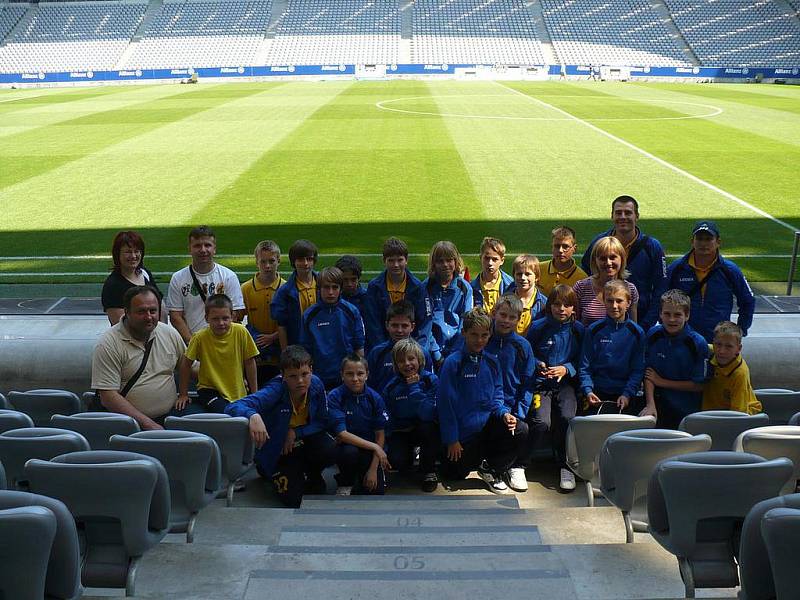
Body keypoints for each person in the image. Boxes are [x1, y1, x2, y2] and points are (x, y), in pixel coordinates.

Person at [224, 345, 337, 508]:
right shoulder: (275, 390)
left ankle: (311, 473)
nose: (300, 381)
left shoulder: (316, 385)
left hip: (301, 441)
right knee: (293, 500)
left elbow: (322, 421)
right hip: (279, 449)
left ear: (311, 370)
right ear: (283, 375)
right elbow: (233, 406)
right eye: (293, 376)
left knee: (331, 449)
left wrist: (295, 432)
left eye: (305, 374)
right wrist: (253, 415)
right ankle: (273, 471)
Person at [92, 286, 199, 430]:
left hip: (172, 414)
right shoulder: (108, 344)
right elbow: (108, 396)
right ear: (127, 312)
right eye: (141, 311)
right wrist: (149, 425)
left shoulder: (168, 333)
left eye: (153, 311)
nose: (149, 317)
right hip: (129, 424)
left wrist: (229, 380)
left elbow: (190, 368)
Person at [437, 307, 520, 494]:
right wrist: (452, 439)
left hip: (486, 428)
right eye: (474, 334)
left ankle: (491, 468)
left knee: (520, 429)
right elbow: (445, 404)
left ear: (490, 335)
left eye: (484, 335)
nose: (479, 340)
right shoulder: (453, 363)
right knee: (454, 475)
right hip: (462, 437)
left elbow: (498, 395)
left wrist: (504, 413)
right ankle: (474, 461)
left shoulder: (491, 361)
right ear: (464, 333)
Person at [526, 285, 584, 492]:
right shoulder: (538, 327)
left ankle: (564, 466)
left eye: (567, 305)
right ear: (549, 306)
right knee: (541, 421)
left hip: (566, 386)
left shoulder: (578, 330)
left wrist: (566, 369)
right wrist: (538, 364)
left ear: (573, 308)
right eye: (557, 304)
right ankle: (520, 462)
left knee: (567, 418)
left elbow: (583, 360)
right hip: (541, 386)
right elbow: (527, 353)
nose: (561, 309)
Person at [581, 196, 666, 331]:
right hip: (601, 320)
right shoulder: (599, 241)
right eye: (618, 212)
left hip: (641, 319)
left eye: (628, 213)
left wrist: (646, 324)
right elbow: (585, 271)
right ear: (612, 215)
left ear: (636, 216)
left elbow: (661, 288)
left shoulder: (652, 246)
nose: (623, 217)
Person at [666, 220, 755, 343]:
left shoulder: (730, 270)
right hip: (683, 339)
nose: (703, 243)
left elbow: (747, 300)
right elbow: (660, 299)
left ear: (718, 242)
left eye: (708, 239)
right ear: (692, 241)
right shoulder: (676, 268)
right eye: (699, 238)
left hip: (717, 341)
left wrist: (741, 330)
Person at [177, 294, 259, 413]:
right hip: (209, 390)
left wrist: (254, 393)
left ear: (233, 316)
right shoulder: (199, 337)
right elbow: (185, 364)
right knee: (227, 412)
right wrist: (183, 394)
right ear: (206, 318)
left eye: (225, 318)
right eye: (215, 319)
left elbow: (250, 362)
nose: (221, 323)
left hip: (237, 391)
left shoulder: (241, 332)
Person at [642, 289, 709, 429]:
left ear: (687, 315)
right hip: (658, 406)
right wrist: (650, 404)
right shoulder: (653, 335)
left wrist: (662, 382)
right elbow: (649, 373)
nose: (671, 319)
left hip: (686, 411)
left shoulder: (697, 343)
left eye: (677, 315)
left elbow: (699, 385)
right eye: (667, 314)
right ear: (660, 314)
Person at [166, 225, 245, 344]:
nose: (203, 250)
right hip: (191, 343)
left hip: (223, 343)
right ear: (190, 249)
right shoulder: (178, 278)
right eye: (197, 245)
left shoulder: (229, 276)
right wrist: (193, 342)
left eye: (207, 245)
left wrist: (219, 337)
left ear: (214, 249)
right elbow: (175, 316)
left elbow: (236, 313)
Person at [579, 280, 645, 415]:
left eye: (619, 301)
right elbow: (584, 366)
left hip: (625, 394)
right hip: (596, 393)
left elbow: (638, 369)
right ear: (603, 301)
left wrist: (627, 394)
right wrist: (588, 390)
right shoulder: (594, 330)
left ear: (628, 303)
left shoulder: (637, 333)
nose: (614, 306)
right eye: (609, 301)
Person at [382, 338, 440, 492]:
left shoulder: (431, 380)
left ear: (419, 360)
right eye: (401, 361)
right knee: (398, 462)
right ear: (395, 365)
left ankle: (429, 471)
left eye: (411, 358)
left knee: (428, 428)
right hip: (402, 431)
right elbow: (388, 417)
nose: (407, 364)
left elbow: (428, 414)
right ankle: (409, 456)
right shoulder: (391, 387)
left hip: (425, 428)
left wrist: (414, 388)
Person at [328, 355, 390, 496]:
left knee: (375, 491)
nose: (355, 378)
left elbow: (380, 435)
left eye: (360, 373)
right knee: (349, 453)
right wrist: (375, 446)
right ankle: (346, 481)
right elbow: (341, 434)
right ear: (342, 375)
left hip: (370, 450)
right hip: (347, 447)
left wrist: (373, 469)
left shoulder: (375, 398)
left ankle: (364, 474)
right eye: (349, 374)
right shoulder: (334, 397)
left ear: (367, 375)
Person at [300, 266, 365, 390]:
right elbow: (305, 351)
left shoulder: (351, 311)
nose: (330, 292)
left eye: (335, 287)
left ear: (340, 289)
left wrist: (356, 376)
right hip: (319, 378)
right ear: (318, 289)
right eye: (326, 287)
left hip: (346, 378)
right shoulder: (309, 315)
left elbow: (359, 347)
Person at [364, 237, 430, 352]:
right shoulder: (374, 287)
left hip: (412, 349)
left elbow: (424, 322)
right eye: (391, 260)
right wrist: (384, 350)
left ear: (406, 260)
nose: (396, 265)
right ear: (384, 260)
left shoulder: (418, 287)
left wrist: (418, 349)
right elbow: (373, 324)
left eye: (400, 260)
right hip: (383, 348)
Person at [241, 240, 285, 386]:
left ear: (279, 260)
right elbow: (238, 320)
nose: (267, 266)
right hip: (256, 355)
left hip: (280, 353)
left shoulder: (286, 288)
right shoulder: (246, 289)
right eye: (263, 261)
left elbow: (293, 322)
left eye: (271, 261)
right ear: (256, 262)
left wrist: (273, 337)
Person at [366, 300, 432, 394]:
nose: (399, 330)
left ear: (412, 327)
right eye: (395, 325)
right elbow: (369, 387)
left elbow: (429, 385)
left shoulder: (422, 353)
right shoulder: (377, 353)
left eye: (404, 326)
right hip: (384, 406)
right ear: (387, 325)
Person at [424, 241, 473, 365]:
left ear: (456, 261)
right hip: (432, 350)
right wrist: (437, 354)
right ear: (433, 264)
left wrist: (454, 353)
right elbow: (425, 324)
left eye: (449, 260)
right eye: (440, 261)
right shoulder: (425, 288)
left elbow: (466, 324)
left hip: (458, 350)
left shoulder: (465, 288)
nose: (445, 265)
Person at [574, 236, 639, 327]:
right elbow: (573, 326)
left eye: (613, 257)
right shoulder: (581, 287)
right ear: (595, 261)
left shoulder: (630, 289)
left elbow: (633, 328)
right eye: (603, 258)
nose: (608, 263)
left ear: (622, 259)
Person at [101, 230, 162, 326]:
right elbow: (119, 325)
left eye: (137, 251)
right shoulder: (112, 285)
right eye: (128, 252)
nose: (133, 256)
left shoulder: (145, 274)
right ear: (117, 255)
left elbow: (160, 305)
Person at [702, 321, 762, 414]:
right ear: (713, 343)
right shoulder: (709, 351)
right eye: (718, 344)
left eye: (729, 346)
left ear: (739, 348)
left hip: (734, 416)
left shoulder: (739, 374)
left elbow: (738, 415)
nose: (722, 351)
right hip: (710, 413)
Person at [271, 239, 319, 349]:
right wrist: (285, 352)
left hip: (322, 345)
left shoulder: (323, 284)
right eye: (301, 259)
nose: (306, 263)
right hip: (298, 346)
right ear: (294, 262)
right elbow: (282, 326)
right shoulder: (284, 292)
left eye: (309, 259)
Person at [538, 226, 587, 295]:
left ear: (574, 249)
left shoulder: (582, 278)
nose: (560, 250)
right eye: (557, 246)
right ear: (552, 247)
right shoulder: (538, 269)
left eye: (565, 246)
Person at [470, 236, 513, 313]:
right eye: (486, 258)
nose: (490, 263)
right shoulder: (471, 287)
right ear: (480, 258)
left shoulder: (511, 285)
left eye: (494, 259)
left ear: (502, 261)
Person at [508, 254, 545, 336]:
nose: (523, 278)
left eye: (528, 274)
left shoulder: (544, 304)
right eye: (519, 274)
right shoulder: (505, 299)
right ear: (513, 275)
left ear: (537, 277)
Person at [335, 255, 369, 321]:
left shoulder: (367, 297)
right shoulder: (333, 297)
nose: (349, 284)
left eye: (353, 279)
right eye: (345, 280)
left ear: (359, 278)